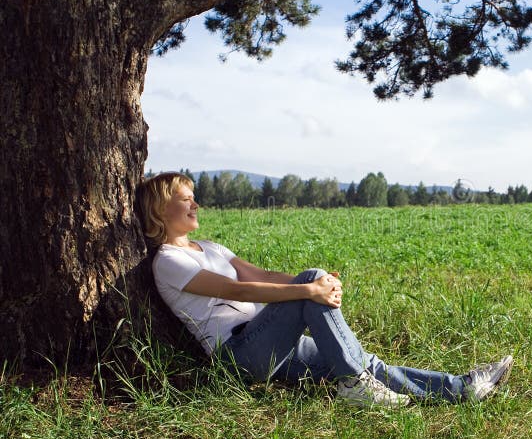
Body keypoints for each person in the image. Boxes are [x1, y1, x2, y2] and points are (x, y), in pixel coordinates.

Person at [138, 172, 512, 407]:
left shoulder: (211, 248)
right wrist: (308, 289)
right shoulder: (168, 260)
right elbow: (234, 290)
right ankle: (355, 384)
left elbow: (264, 276)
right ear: (159, 209)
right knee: (315, 290)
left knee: (363, 361)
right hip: (238, 354)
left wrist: (318, 285)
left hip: (271, 339)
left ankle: (462, 388)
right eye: (186, 198)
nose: (196, 203)